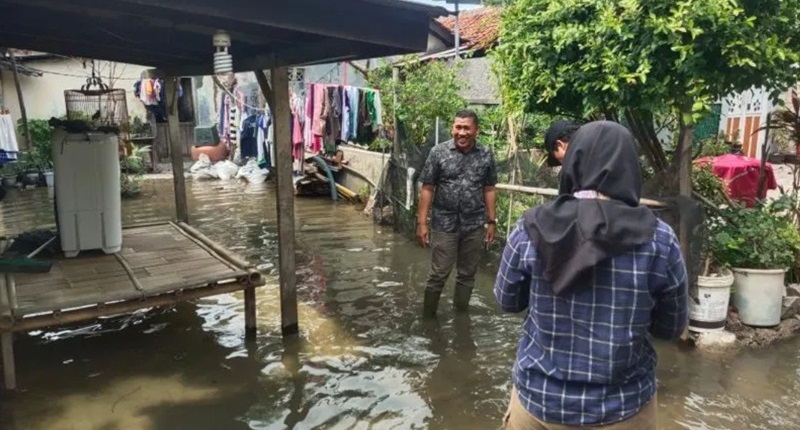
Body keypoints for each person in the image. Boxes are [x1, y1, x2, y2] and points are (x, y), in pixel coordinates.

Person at [495, 121, 688, 430]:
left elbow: (506, 300)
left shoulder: (530, 227)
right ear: (629, 166)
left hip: (539, 404)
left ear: (573, 160)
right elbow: (670, 328)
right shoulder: (659, 239)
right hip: (622, 409)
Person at [417, 109, 498, 317]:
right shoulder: (438, 152)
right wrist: (422, 223)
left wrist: (491, 221)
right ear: (453, 128)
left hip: (474, 224)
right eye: (458, 127)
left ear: (476, 130)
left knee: (467, 274)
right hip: (444, 223)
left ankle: (461, 318)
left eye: (466, 128)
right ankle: (428, 318)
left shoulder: (486, 154)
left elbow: (489, 188)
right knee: (439, 273)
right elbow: (427, 187)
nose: (462, 133)